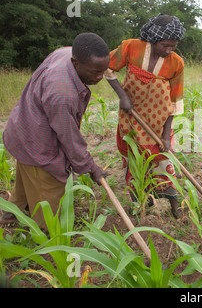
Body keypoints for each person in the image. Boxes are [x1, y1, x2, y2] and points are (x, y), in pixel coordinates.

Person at [0, 32, 109, 229]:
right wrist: (91, 168)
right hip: (37, 143)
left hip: (24, 127)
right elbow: (69, 138)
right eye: (94, 72)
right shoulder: (62, 93)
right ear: (76, 62)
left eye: (103, 70)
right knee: (50, 197)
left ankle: (11, 213)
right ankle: (48, 240)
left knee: (26, 176)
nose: (100, 77)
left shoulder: (66, 52)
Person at [104, 13, 185, 219]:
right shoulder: (132, 47)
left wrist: (166, 135)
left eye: (173, 46)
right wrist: (122, 96)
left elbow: (175, 102)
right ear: (153, 39)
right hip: (131, 118)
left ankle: (176, 209)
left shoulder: (176, 63)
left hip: (158, 124)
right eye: (165, 45)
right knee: (134, 162)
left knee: (162, 162)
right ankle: (141, 206)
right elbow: (108, 67)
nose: (169, 50)